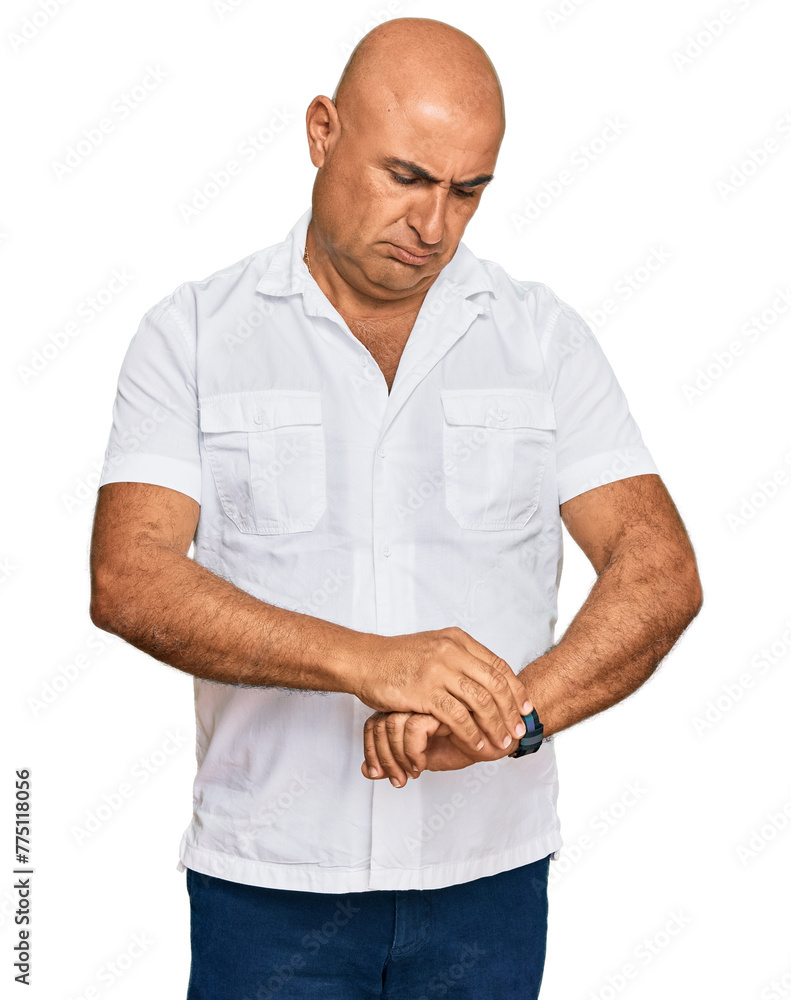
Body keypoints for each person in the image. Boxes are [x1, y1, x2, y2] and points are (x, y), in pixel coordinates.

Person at [89, 16, 702, 1000]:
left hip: (488, 884)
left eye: (467, 192)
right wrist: (371, 661)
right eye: (406, 177)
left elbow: (657, 569)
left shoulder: (540, 338)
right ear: (321, 131)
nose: (433, 226)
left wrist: (514, 715)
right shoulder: (193, 333)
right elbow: (129, 578)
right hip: (269, 885)